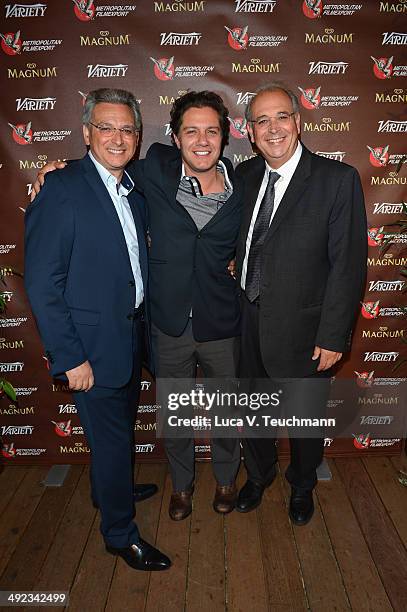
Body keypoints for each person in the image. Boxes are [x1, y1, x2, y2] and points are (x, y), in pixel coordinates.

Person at [31, 91, 243, 521]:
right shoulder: (151, 172)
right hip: (166, 326)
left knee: (225, 409)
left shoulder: (247, 180)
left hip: (222, 321)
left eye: (211, 131)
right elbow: (96, 169)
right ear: (175, 138)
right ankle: (181, 487)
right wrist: (51, 170)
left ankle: (225, 478)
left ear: (226, 137)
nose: (201, 140)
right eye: (191, 131)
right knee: (176, 414)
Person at [25, 88, 171, 571]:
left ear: (138, 136)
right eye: (105, 127)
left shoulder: (134, 186)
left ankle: (113, 488)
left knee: (118, 436)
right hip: (89, 349)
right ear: (86, 132)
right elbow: (44, 284)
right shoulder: (62, 189)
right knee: (110, 441)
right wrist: (69, 358)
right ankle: (118, 533)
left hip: (130, 337)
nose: (118, 137)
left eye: (127, 129)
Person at [234, 82, 367, 524]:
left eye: (281, 117)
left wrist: (333, 335)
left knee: (306, 420)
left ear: (298, 121)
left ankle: (302, 484)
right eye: (261, 121)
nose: (272, 129)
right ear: (249, 132)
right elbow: (163, 163)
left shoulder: (337, 179)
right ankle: (258, 475)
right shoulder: (244, 175)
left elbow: (347, 265)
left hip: (306, 328)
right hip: (246, 321)